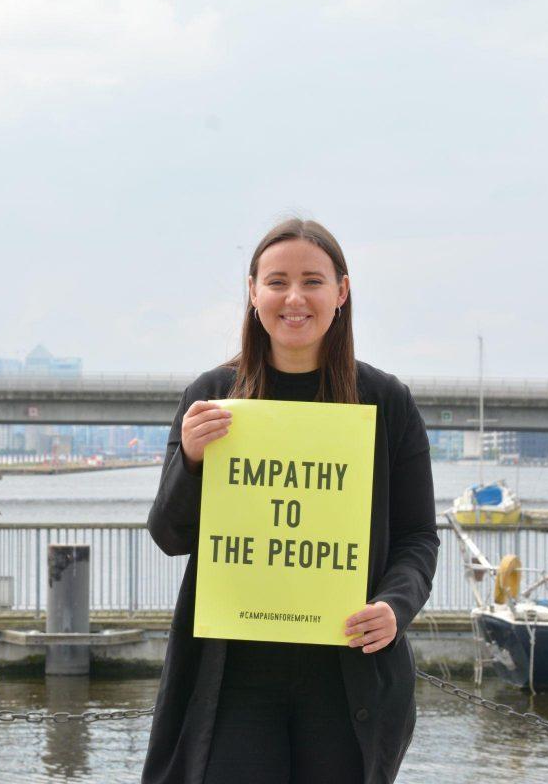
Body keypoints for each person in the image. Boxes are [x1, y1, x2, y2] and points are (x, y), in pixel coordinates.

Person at [142, 218, 439, 784]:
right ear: (253, 293)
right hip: (232, 678)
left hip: (346, 673)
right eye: (277, 282)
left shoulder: (387, 402)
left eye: (313, 281)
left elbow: (418, 537)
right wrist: (191, 460)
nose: (294, 298)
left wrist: (395, 607)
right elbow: (169, 536)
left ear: (341, 293)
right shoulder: (211, 397)